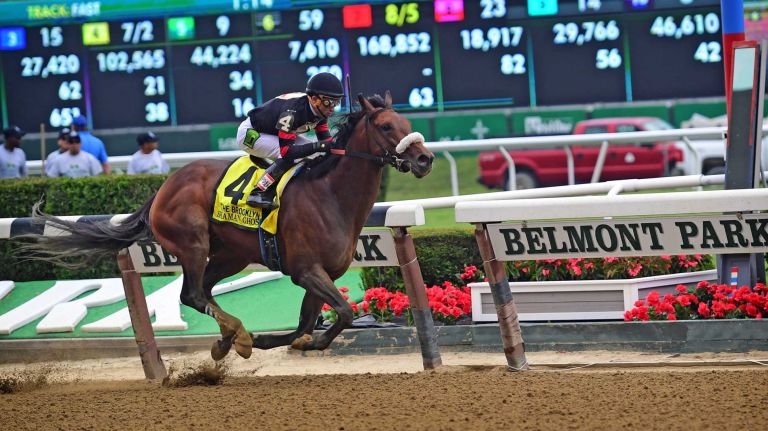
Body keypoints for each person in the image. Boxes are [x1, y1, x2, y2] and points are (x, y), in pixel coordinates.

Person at [236, 72, 344, 209]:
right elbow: (287, 152)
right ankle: (258, 192)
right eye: (330, 101)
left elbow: (327, 143)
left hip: (270, 132)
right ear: (314, 99)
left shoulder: (320, 110)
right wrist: (321, 145)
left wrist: (342, 148)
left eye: (337, 102)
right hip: (250, 133)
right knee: (291, 154)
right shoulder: (292, 112)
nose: (333, 107)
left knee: (315, 152)